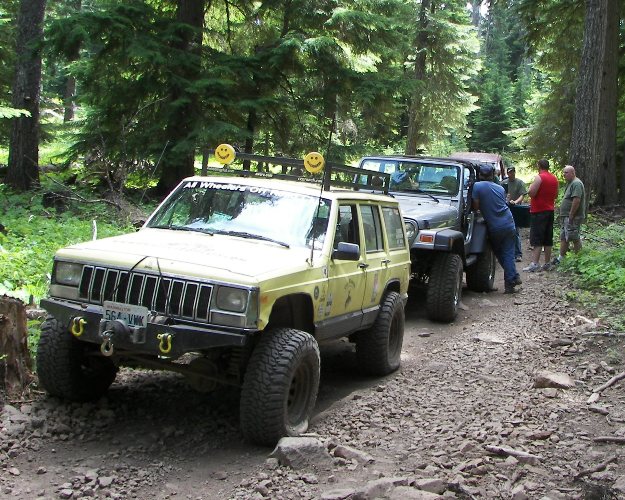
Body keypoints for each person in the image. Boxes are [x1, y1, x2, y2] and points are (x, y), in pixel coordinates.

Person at [472, 164, 522, 294]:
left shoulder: (477, 186)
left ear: (480, 175)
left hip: (495, 227)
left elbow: (476, 206)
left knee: (501, 253)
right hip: (509, 222)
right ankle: (512, 280)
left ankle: (512, 279)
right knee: (508, 253)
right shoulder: (500, 188)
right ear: (492, 175)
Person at [523, 159, 558, 272]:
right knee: (548, 237)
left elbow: (532, 192)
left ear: (539, 166)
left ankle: (535, 263)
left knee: (537, 237)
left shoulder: (539, 177)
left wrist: (530, 190)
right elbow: (556, 195)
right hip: (550, 210)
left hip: (538, 211)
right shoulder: (554, 178)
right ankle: (547, 263)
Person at [553, 165, 586, 264]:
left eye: (566, 173)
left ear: (572, 173)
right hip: (566, 216)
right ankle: (561, 258)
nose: (564, 175)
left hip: (572, 217)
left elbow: (576, 200)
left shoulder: (576, 183)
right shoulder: (570, 183)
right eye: (563, 172)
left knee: (574, 237)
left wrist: (571, 215)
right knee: (564, 237)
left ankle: (579, 260)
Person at [502, 166, 528, 262]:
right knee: (505, 231)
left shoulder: (519, 182)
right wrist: (506, 199)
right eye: (509, 172)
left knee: (515, 231)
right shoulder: (503, 183)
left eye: (512, 172)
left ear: (515, 172)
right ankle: (506, 253)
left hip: (515, 208)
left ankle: (518, 254)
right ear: (507, 173)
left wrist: (515, 202)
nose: (511, 174)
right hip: (505, 208)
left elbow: (522, 195)